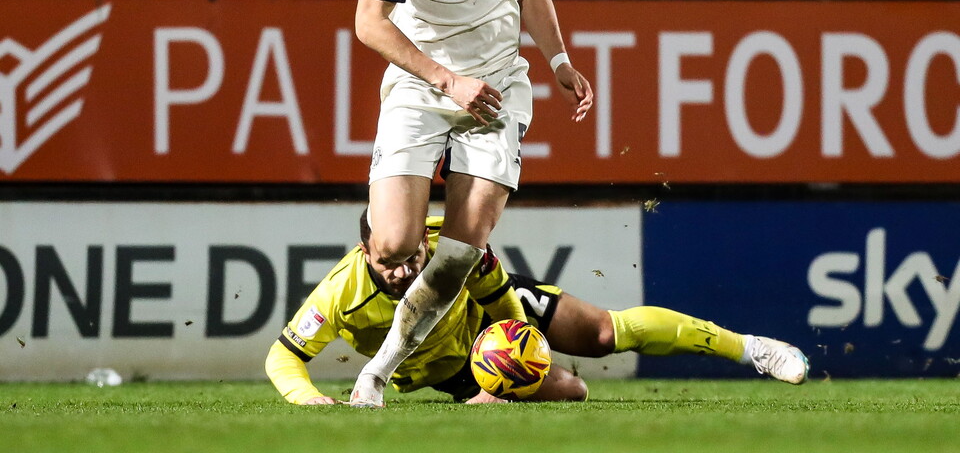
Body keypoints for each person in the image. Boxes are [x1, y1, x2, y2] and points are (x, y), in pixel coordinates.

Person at [349, 0, 594, 408]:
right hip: (422, 85)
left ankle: (378, 370)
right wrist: (445, 78)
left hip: (496, 90)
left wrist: (560, 60)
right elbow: (368, 22)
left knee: (461, 250)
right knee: (397, 244)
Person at [264, 211, 810, 405]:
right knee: (575, 391)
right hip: (449, 367)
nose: (406, 271)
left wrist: (522, 345)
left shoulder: (450, 244)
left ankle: (754, 349)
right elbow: (283, 358)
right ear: (365, 251)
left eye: (414, 257)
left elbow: (499, 294)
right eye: (390, 264)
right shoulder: (340, 292)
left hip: (489, 318)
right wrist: (311, 401)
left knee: (601, 333)